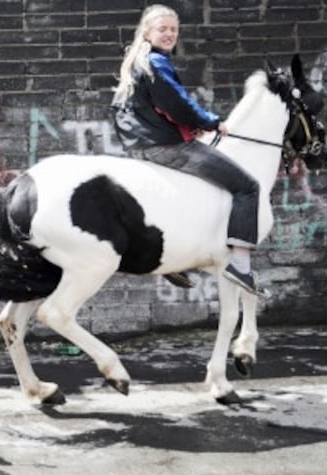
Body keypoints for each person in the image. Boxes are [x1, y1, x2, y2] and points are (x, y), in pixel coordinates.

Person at [112, 4, 266, 296]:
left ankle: (173, 260)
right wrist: (210, 122)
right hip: (162, 147)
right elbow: (177, 104)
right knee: (247, 187)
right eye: (163, 29)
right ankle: (241, 266)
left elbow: (148, 111)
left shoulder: (137, 62)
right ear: (147, 32)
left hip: (140, 146)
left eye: (173, 30)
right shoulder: (156, 62)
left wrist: (186, 128)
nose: (169, 34)